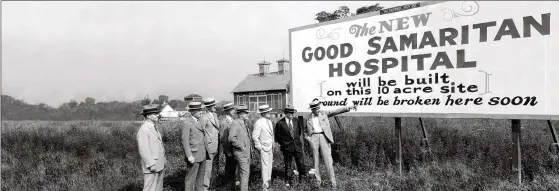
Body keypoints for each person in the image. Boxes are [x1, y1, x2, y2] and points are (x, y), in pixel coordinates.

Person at [306, 100, 357, 188]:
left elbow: (336, 110)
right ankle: (317, 182)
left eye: (317, 108)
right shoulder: (308, 118)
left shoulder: (324, 113)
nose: (317, 110)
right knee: (315, 161)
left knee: (328, 160)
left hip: (324, 137)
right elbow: (304, 131)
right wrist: (309, 139)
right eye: (314, 109)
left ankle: (332, 183)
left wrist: (348, 107)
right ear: (312, 109)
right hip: (313, 138)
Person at [274, 105, 308, 186]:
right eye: (291, 113)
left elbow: (299, 132)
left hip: (297, 146)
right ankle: (288, 181)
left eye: (293, 113)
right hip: (287, 148)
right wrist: (284, 144)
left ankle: (302, 180)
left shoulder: (296, 121)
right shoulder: (280, 123)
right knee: (288, 165)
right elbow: (278, 136)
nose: (293, 114)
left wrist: (296, 142)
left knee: (301, 163)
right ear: (286, 113)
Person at [136, 104, 166, 191]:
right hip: (152, 166)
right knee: (149, 188)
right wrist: (151, 164)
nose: (157, 115)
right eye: (155, 114)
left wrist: (163, 159)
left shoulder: (153, 127)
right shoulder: (144, 129)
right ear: (148, 116)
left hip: (159, 164)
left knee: (158, 188)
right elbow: (144, 149)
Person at [182, 102, 207, 191]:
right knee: (190, 179)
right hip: (194, 155)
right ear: (192, 112)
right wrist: (189, 156)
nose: (201, 112)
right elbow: (185, 141)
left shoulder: (200, 121)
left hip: (202, 154)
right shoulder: (187, 123)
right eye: (198, 110)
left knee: (200, 179)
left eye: (201, 110)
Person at [228, 105, 252, 191]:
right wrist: (241, 146)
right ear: (241, 114)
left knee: (242, 175)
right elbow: (231, 138)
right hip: (241, 153)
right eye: (246, 113)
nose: (247, 115)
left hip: (244, 153)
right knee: (245, 175)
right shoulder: (236, 123)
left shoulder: (243, 123)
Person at [252, 105, 275, 191]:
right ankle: (265, 187)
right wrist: (260, 148)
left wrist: (273, 144)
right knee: (265, 167)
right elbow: (255, 136)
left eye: (269, 111)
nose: (269, 113)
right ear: (264, 113)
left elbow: (271, 135)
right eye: (268, 112)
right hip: (264, 148)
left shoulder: (269, 122)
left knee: (269, 166)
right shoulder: (259, 122)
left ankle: (268, 184)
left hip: (270, 147)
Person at [200, 98, 220, 191]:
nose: (215, 106)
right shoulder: (204, 117)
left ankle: (212, 185)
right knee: (207, 168)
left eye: (214, 105)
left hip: (216, 145)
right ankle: (205, 188)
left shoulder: (215, 115)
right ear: (208, 107)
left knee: (214, 167)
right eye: (213, 105)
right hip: (209, 146)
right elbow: (201, 132)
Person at [219, 103, 240, 188]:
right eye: (232, 110)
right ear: (227, 111)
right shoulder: (224, 122)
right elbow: (223, 139)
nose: (234, 111)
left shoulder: (233, 120)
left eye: (234, 109)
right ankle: (227, 186)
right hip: (229, 149)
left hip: (234, 148)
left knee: (234, 167)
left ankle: (233, 185)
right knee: (230, 168)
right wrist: (227, 151)